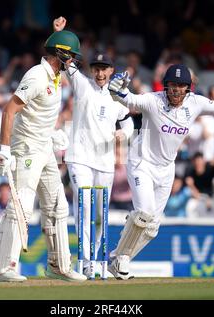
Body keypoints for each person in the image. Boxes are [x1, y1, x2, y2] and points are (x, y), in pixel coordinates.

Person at [107, 63, 214, 279]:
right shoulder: (153, 100)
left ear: (188, 88)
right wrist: (116, 88)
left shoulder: (195, 103)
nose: (176, 90)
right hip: (142, 163)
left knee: (152, 228)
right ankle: (120, 259)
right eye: (172, 85)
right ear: (166, 86)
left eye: (181, 86)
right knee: (143, 214)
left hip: (167, 169)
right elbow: (128, 99)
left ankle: (119, 257)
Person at [0, 26, 86, 282]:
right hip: (26, 148)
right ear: (60, 54)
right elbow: (9, 110)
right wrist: (4, 149)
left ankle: (58, 266)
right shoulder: (36, 76)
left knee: (57, 206)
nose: (74, 61)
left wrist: (52, 133)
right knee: (20, 205)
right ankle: (3, 268)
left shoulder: (55, 75)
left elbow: (40, 113)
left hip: (44, 146)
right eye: (72, 56)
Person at [53, 17, 134, 277]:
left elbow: (130, 123)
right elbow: (64, 57)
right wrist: (60, 33)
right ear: (92, 70)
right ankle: (85, 260)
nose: (100, 73)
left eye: (104, 69)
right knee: (84, 206)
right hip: (79, 158)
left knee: (101, 213)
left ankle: (97, 259)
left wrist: (122, 135)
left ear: (111, 71)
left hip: (105, 161)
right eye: (96, 68)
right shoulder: (82, 84)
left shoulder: (115, 99)